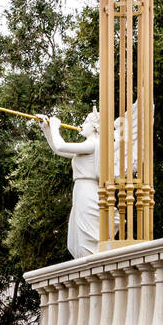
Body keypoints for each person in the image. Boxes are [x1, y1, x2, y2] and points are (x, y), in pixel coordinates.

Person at [39, 109, 100, 259]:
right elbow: (58, 150)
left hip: (87, 191)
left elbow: (61, 146)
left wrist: (55, 126)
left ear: (94, 127)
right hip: (80, 190)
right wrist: (47, 129)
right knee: (78, 237)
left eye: (86, 122)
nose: (82, 125)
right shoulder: (86, 146)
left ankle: (91, 264)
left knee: (87, 237)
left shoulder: (92, 144)